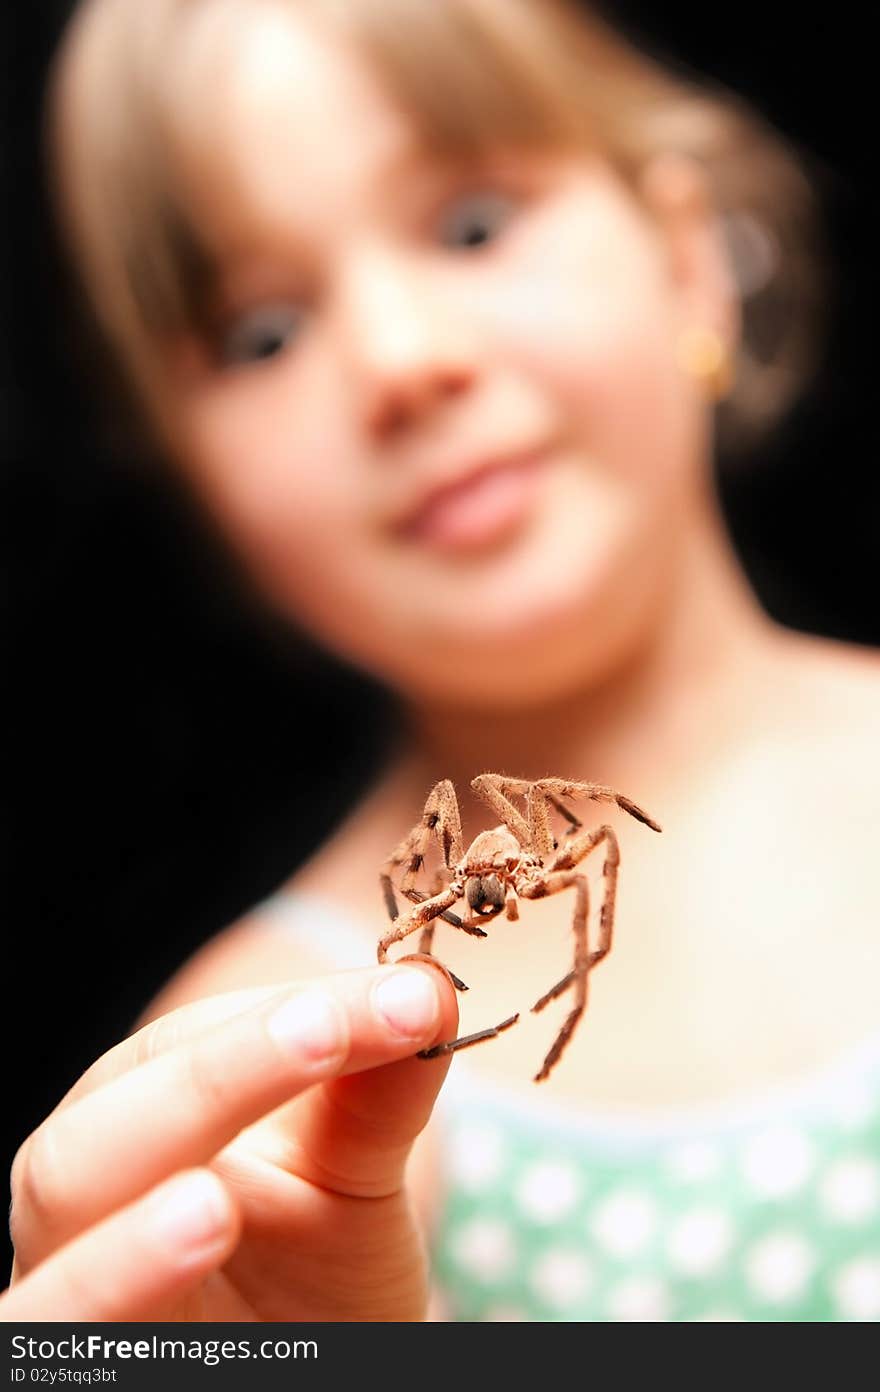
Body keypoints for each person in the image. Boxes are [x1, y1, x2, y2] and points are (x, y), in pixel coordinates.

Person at [6, 0, 880, 1322]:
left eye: (474, 225)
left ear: (690, 259)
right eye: (262, 335)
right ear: (202, 492)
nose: (402, 362)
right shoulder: (275, 1070)